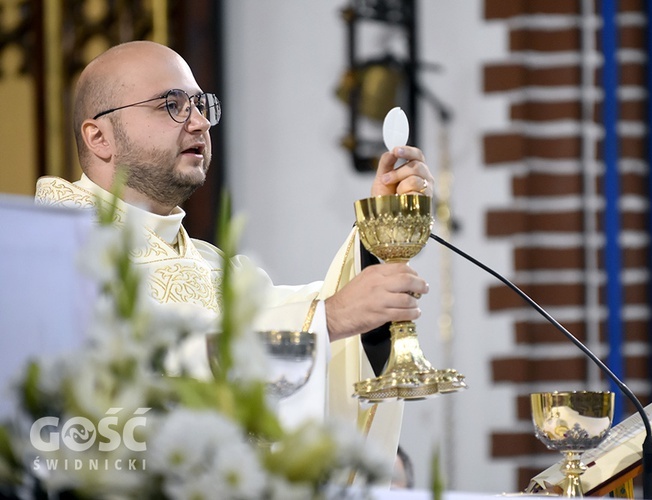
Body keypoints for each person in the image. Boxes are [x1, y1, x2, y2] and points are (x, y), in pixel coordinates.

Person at [34, 40, 435, 484]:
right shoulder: (50, 254)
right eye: (172, 104)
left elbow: (320, 333)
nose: (200, 122)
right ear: (99, 137)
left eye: (201, 104)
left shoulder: (215, 269)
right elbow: (137, 380)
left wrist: (377, 239)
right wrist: (328, 319)